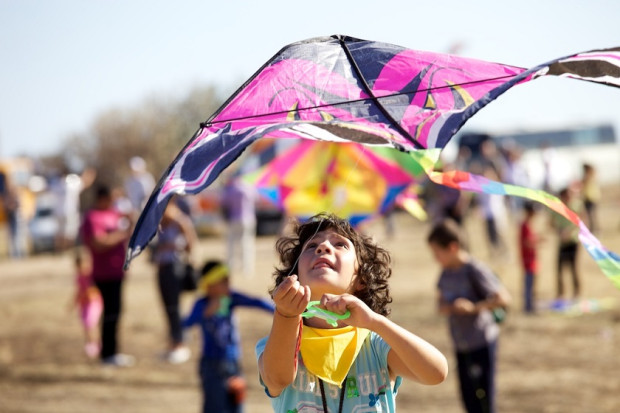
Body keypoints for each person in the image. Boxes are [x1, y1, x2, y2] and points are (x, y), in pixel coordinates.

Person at [257, 213, 448, 413]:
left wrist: (376, 322)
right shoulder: (278, 342)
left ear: (361, 280)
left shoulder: (376, 344)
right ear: (295, 276)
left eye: (340, 245)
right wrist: (285, 315)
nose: (323, 248)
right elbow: (277, 379)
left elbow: (436, 373)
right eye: (312, 246)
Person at [427, 219, 511, 413]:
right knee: (468, 399)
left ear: (453, 247)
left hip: (482, 341)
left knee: (485, 401)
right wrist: (447, 307)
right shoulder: (445, 273)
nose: (435, 258)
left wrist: (473, 308)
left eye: (437, 253)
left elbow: (504, 298)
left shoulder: (474, 269)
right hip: (460, 345)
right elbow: (439, 304)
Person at [183, 260, 274, 413]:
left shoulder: (231, 298)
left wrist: (283, 311)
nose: (228, 284)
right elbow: (184, 324)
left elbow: (256, 302)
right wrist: (205, 312)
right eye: (223, 281)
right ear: (209, 284)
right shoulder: (202, 303)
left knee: (237, 405)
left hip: (233, 363)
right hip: (212, 365)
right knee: (215, 407)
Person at [81, 185, 134, 367]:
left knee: (116, 312)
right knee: (109, 313)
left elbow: (130, 226)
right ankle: (108, 353)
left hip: (117, 271)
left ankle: (113, 351)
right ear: (101, 198)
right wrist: (121, 234)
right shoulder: (92, 217)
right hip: (103, 274)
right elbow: (98, 243)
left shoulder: (114, 213)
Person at [151, 198, 197, 364]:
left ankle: (180, 342)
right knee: (168, 307)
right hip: (162, 267)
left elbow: (191, 243)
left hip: (174, 266)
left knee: (174, 307)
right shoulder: (159, 222)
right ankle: (172, 341)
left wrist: (174, 247)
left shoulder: (180, 221)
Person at [550, 187, 583, 301]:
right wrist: (559, 232)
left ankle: (576, 293)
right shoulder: (557, 209)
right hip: (562, 243)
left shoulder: (576, 206)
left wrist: (570, 232)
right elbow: (551, 223)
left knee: (573, 268)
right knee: (559, 269)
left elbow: (582, 221)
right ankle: (560, 293)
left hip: (573, 242)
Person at [221, 174, 257, 277]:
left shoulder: (231, 189)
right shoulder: (249, 187)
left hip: (233, 219)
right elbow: (256, 200)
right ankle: (247, 268)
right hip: (248, 219)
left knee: (231, 244)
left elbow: (223, 203)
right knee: (247, 244)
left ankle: (230, 266)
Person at [70, 247, 103, 358]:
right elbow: (78, 291)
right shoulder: (79, 277)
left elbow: (95, 289)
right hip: (84, 304)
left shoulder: (91, 275)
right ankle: (90, 343)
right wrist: (73, 303)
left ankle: (95, 344)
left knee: (91, 324)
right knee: (86, 325)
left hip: (93, 303)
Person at [519, 202, 539, 314]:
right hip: (528, 260)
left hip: (531, 259)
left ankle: (530, 305)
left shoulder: (527, 225)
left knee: (531, 283)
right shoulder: (525, 225)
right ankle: (528, 307)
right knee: (528, 284)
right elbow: (527, 242)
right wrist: (537, 240)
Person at [581, 163, 600, 234]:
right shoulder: (592, 176)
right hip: (591, 197)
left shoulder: (588, 177)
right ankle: (594, 229)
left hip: (590, 198)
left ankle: (593, 229)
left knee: (590, 215)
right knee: (591, 215)